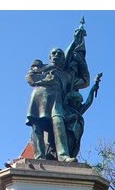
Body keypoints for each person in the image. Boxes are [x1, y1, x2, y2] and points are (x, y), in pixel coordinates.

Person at [25, 21, 90, 162]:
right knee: (37, 126)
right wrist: (44, 80)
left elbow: (85, 81)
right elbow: (30, 78)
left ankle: (63, 155)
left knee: (58, 122)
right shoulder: (43, 67)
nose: (56, 55)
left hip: (57, 101)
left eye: (59, 54)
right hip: (38, 97)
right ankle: (39, 156)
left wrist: (77, 51)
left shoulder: (67, 76)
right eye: (53, 53)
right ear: (49, 57)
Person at [64, 72, 102, 159]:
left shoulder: (78, 111)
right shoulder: (65, 109)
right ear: (71, 101)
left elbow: (88, 102)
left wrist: (92, 90)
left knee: (73, 146)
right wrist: (72, 117)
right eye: (76, 101)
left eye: (80, 102)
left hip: (76, 133)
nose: (79, 104)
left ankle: (70, 157)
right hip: (68, 131)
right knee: (68, 145)